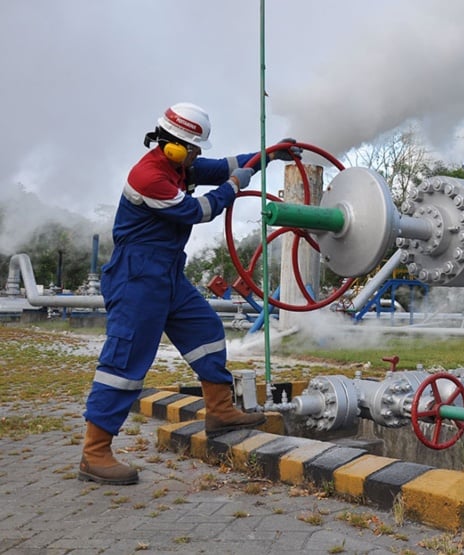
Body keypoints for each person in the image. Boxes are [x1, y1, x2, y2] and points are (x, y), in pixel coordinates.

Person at [79, 102, 300, 485]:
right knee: (125, 363)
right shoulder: (149, 176)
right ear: (176, 145)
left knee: (206, 332)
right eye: (194, 149)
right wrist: (236, 186)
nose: (198, 156)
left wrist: (269, 155)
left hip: (167, 274)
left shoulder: (181, 165)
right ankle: (94, 453)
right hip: (137, 277)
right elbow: (201, 210)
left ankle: (219, 410)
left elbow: (229, 164)